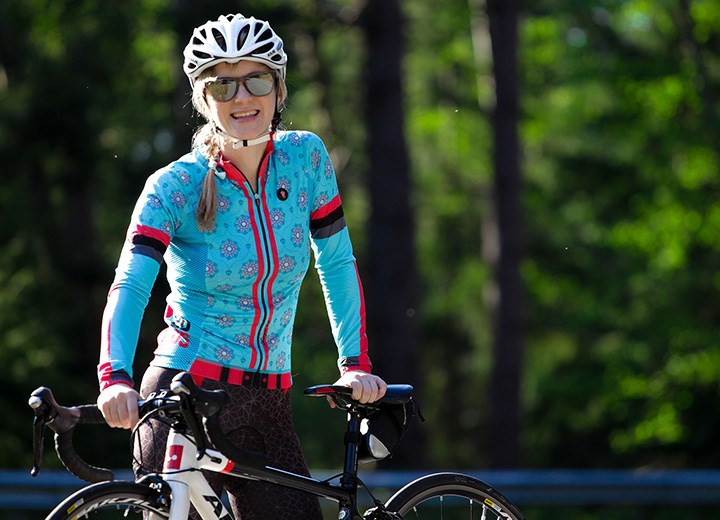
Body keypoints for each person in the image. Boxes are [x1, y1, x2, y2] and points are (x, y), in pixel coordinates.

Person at [96, 13, 387, 519]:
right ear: (202, 98)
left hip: (268, 398)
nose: (241, 97)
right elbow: (131, 283)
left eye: (256, 79)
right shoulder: (175, 185)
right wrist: (114, 377)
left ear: (278, 88)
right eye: (222, 84)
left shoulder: (306, 160)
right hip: (185, 391)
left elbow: (336, 263)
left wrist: (355, 365)